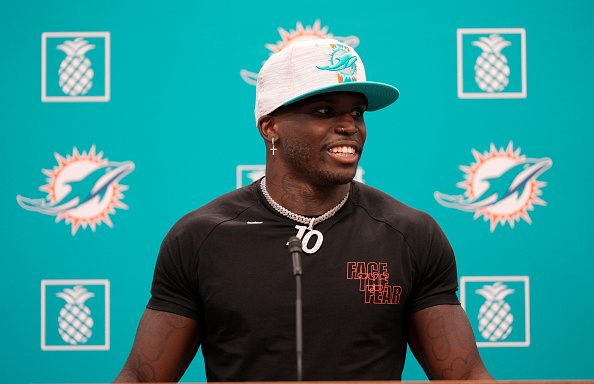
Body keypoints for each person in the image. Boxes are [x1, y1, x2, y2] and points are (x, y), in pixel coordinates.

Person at [114, 39, 493, 382]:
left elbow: (463, 377)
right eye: (325, 111)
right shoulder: (199, 238)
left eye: (358, 113)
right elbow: (144, 378)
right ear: (270, 127)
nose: (350, 127)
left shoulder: (410, 234)